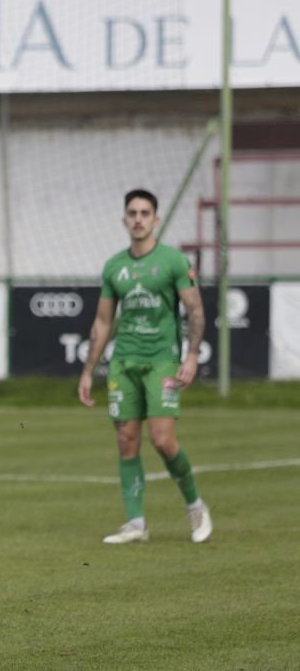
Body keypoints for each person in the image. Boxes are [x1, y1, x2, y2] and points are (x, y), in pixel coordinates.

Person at [78, 189, 213, 545]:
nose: (138, 218)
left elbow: (195, 310)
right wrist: (89, 369)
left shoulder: (173, 262)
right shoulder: (114, 267)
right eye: (132, 213)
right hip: (124, 363)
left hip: (162, 362)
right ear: (125, 219)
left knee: (163, 440)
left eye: (145, 212)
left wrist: (192, 355)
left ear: (155, 218)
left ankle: (196, 504)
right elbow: (103, 323)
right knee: (126, 441)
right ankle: (136, 523)